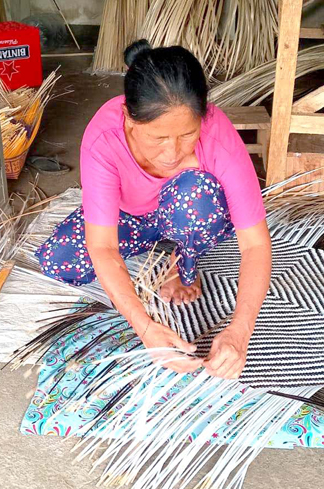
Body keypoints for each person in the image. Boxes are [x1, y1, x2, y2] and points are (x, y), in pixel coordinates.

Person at [36, 40, 272, 379]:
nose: (172, 152)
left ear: (203, 119)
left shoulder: (218, 135)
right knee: (60, 260)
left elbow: (255, 244)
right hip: (129, 216)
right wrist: (145, 328)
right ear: (129, 120)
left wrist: (240, 330)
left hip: (188, 212)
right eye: (158, 138)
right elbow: (102, 246)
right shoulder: (105, 137)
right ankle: (158, 243)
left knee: (197, 198)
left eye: (187, 134)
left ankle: (182, 256)